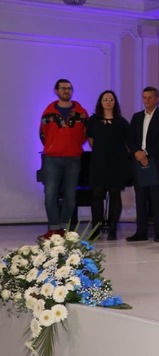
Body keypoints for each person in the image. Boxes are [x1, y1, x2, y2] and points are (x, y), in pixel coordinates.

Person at [39, 78, 89, 238]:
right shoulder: (48, 112)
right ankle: (54, 229)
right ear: (56, 91)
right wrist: (53, 147)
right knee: (50, 195)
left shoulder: (81, 113)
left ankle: (64, 229)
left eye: (69, 88)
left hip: (73, 159)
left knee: (70, 196)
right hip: (52, 159)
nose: (66, 91)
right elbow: (43, 133)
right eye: (63, 88)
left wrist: (73, 145)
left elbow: (85, 134)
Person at [126, 87, 159, 242]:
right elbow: (130, 139)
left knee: (157, 198)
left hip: (155, 162)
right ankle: (141, 232)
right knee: (140, 198)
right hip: (138, 162)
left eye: (150, 97)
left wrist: (146, 153)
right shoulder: (137, 117)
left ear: (157, 99)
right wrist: (137, 153)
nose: (147, 100)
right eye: (144, 97)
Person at [85, 90, 130, 240]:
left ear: (115, 102)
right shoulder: (93, 120)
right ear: (100, 102)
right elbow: (91, 141)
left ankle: (112, 229)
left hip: (117, 163)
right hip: (98, 163)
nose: (108, 102)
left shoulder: (121, 122)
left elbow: (127, 142)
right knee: (97, 194)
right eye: (105, 99)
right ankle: (96, 229)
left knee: (115, 194)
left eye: (111, 99)